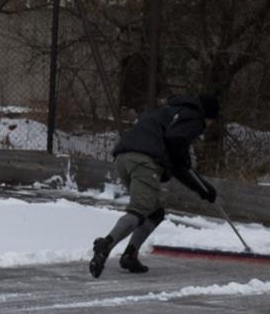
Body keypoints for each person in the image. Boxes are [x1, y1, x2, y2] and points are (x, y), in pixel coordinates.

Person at [89, 91, 219, 278]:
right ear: (208, 115)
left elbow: (177, 162)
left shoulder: (170, 111)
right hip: (144, 161)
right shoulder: (194, 117)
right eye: (211, 122)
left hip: (123, 158)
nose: (208, 126)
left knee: (154, 212)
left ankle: (130, 255)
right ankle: (106, 245)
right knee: (140, 209)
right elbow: (176, 144)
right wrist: (198, 182)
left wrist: (201, 187)